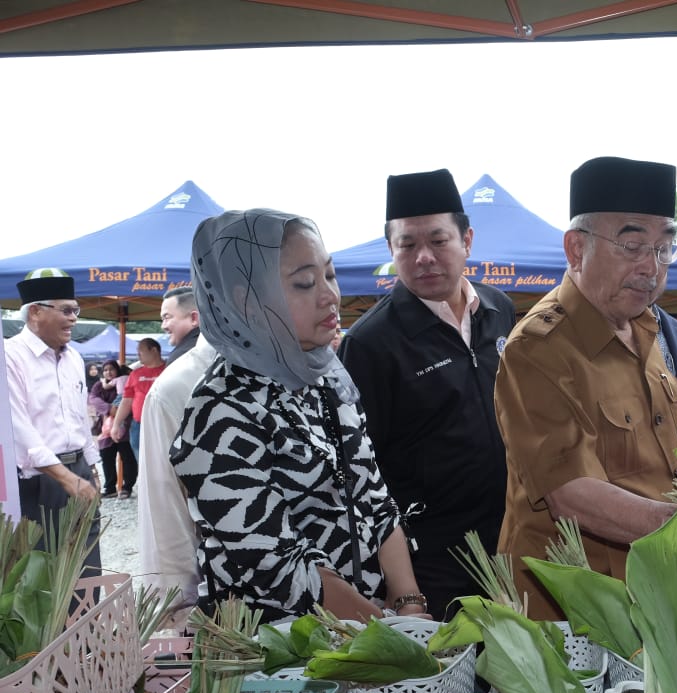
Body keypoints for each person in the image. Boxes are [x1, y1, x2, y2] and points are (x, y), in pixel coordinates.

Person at [495, 156, 677, 619]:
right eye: (631, 245)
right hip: (570, 610)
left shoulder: (652, 332)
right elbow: (568, 492)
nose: (652, 267)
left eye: (665, 248)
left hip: (653, 593)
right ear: (575, 249)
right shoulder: (537, 348)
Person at [170, 209, 427, 623]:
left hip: (370, 631)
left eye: (329, 275)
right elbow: (282, 567)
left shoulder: (327, 382)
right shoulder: (222, 412)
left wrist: (409, 605)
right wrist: (390, 633)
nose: (330, 295)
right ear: (246, 300)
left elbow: (377, 502)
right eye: (305, 283)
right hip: (280, 656)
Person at [339, 169, 515, 620]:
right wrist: (405, 591)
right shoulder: (370, 342)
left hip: (515, 542)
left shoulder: (500, 311)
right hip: (433, 561)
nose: (424, 257)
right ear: (391, 250)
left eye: (438, 241)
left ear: (467, 241)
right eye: (408, 245)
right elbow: (362, 475)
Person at [5, 272, 101, 571]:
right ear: (35, 311)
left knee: (87, 568)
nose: (74, 319)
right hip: (38, 480)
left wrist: (92, 466)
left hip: (78, 470)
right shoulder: (10, 356)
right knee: (42, 575)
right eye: (67, 310)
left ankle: (83, 621)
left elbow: (80, 418)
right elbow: (19, 430)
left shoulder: (73, 357)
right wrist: (65, 477)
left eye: (76, 310)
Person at [136, 334, 216, 620]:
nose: (327, 296)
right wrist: (177, 603)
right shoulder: (179, 386)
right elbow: (166, 504)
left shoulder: (326, 373)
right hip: (233, 609)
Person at [88, 359, 137, 499]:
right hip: (106, 429)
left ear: (117, 370)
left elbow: (129, 399)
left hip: (125, 426)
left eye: (111, 369)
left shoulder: (124, 381)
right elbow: (93, 398)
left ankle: (127, 487)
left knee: (128, 458)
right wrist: (110, 409)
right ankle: (110, 487)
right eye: (105, 370)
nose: (108, 372)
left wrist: (118, 411)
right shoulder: (99, 385)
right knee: (106, 457)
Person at [110, 337, 165, 457]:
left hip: (162, 424)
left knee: (163, 460)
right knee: (141, 461)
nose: (138, 354)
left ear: (154, 350)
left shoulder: (169, 370)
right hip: (139, 425)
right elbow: (126, 402)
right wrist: (116, 425)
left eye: (141, 350)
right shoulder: (135, 374)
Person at [160, 286, 200, 366]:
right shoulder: (221, 347)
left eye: (167, 317)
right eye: (162, 319)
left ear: (194, 318)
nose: (163, 326)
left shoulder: (184, 356)